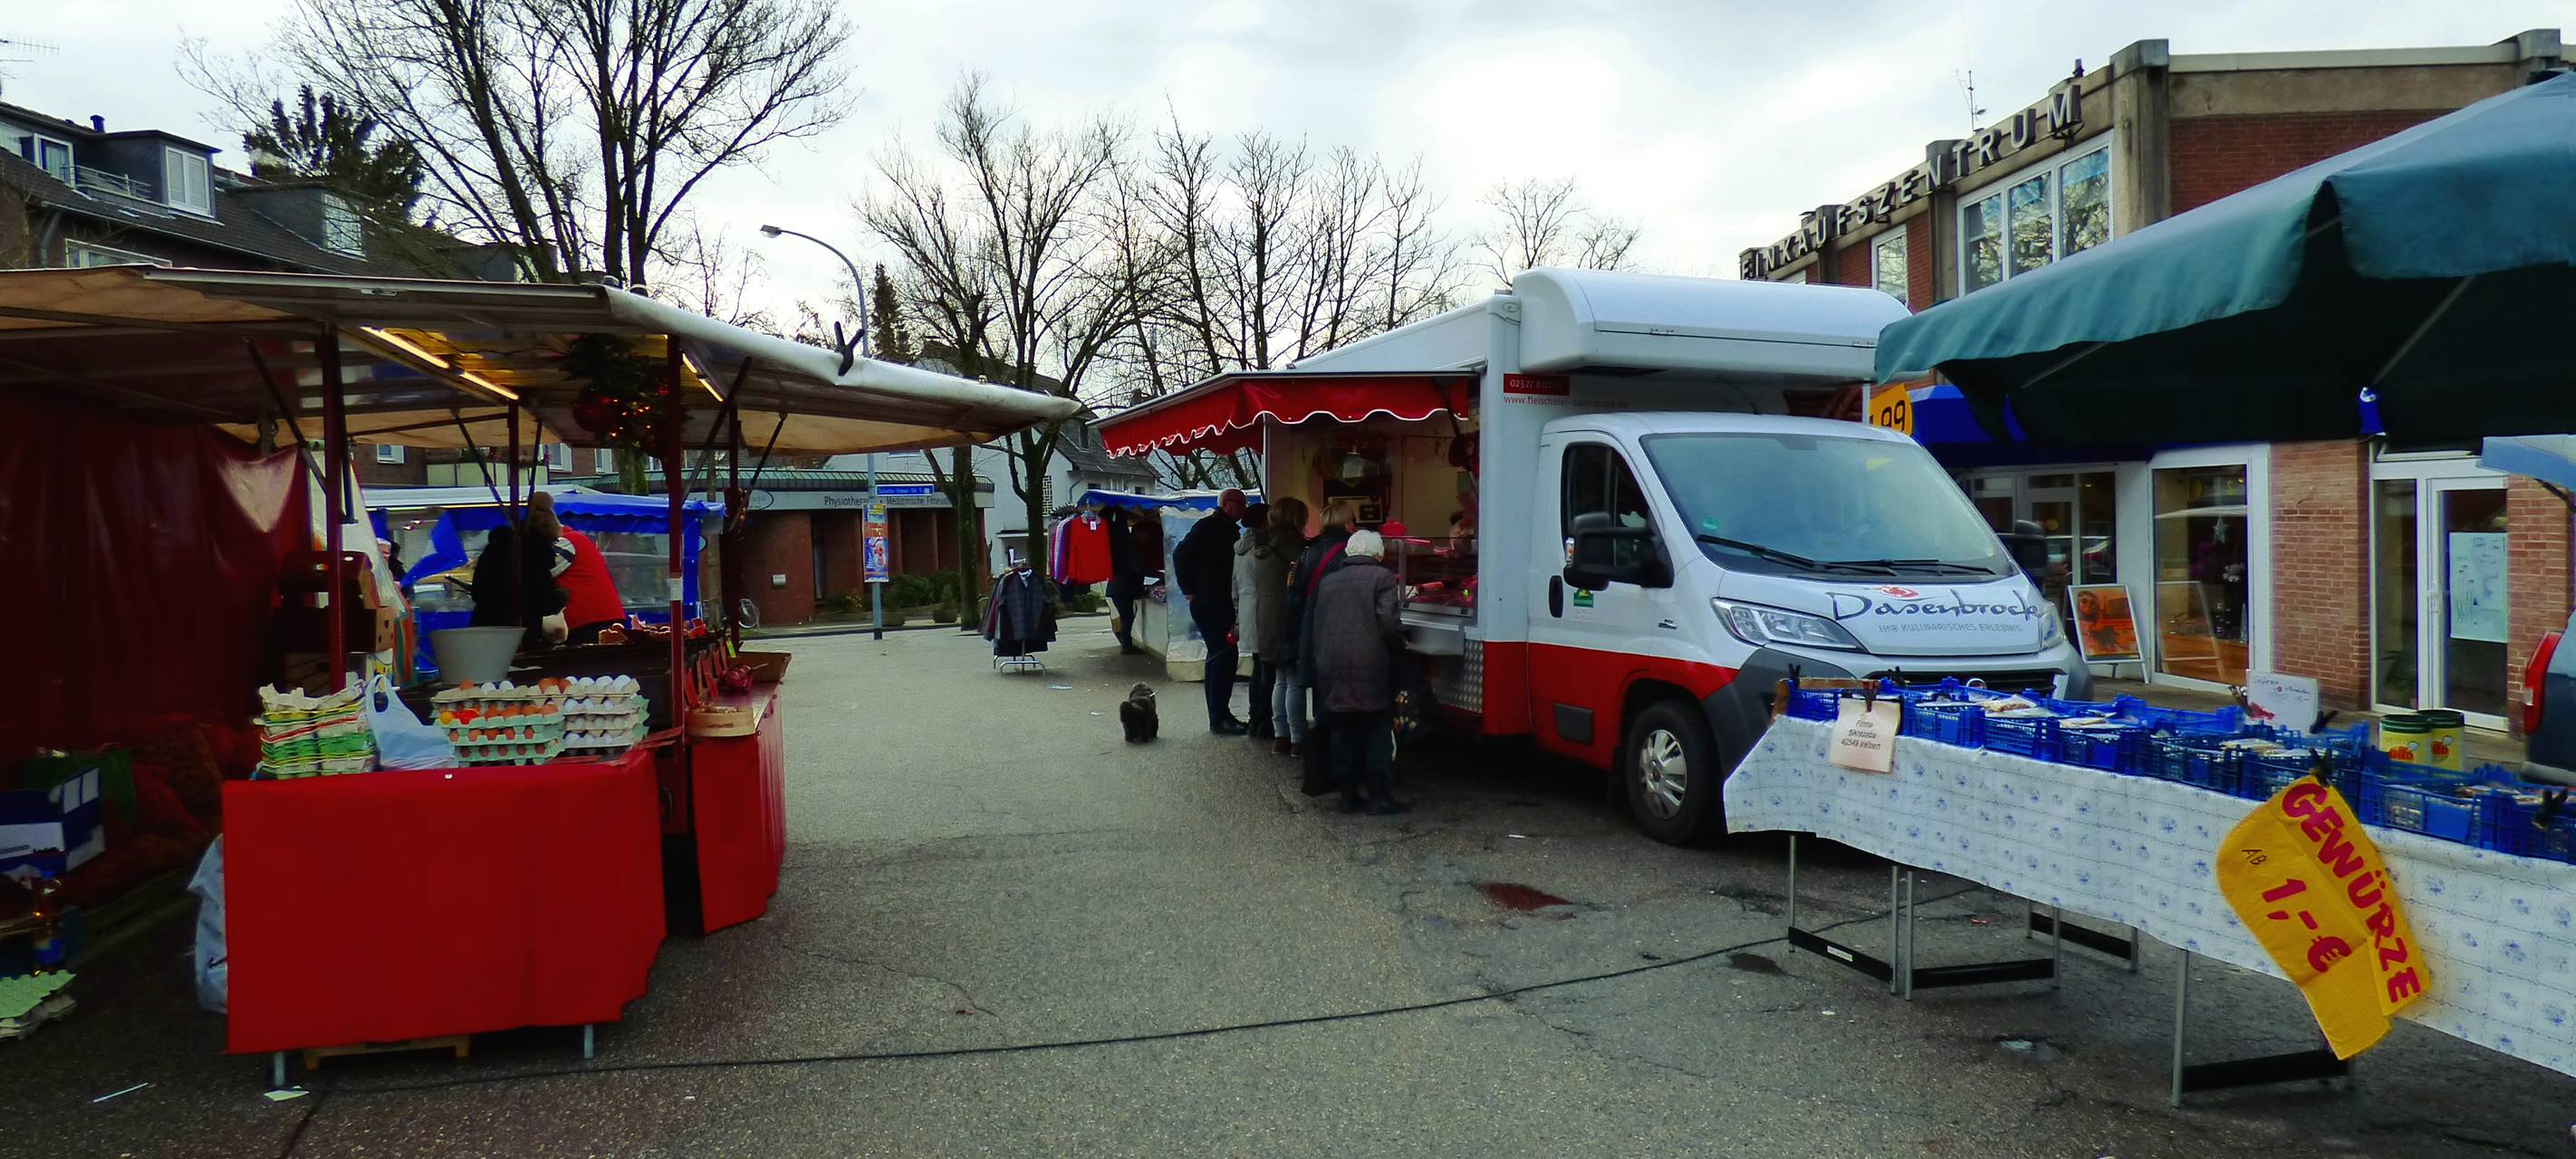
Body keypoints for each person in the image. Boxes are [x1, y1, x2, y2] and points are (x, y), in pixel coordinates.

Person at [1307, 530, 1407, 815]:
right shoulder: (1383, 577)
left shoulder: (1328, 581)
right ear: (1377, 555)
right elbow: (1388, 623)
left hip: (1332, 663)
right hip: (1369, 663)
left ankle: (1347, 796)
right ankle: (1380, 797)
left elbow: (1318, 624)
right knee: (1376, 731)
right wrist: (1400, 645)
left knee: (1344, 731)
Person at [1280, 500, 1360, 774]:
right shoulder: (1350, 551)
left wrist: (1292, 638)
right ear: (1347, 522)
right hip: (1339, 631)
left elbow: (1293, 598)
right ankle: (1339, 757)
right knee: (1340, 695)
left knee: (1319, 690)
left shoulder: (1306, 552)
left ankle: (1319, 749)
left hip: (1308, 628)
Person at [1170, 487, 1249, 733]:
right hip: (1210, 602)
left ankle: (1221, 713)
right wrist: (1190, 589)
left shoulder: (1226, 528)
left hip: (1218, 601)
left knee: (1224, 656)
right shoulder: (1209, 527)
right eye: (1241, 503)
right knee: (1221, 657)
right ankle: (1218, 717)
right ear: (1227, 504)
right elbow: (1180, 554)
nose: (1244, 508)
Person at [526, 493, 626, 643]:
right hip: (601, 618)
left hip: (589, 622)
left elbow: (534, 574)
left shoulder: (564, 543)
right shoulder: (576, 539)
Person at [1257, 498, 1310, 757]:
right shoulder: (1296, 547)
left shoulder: (1261, 545)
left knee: (1280, 680)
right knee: (1295, 681)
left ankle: (1280, 737)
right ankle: (1299, 739)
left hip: (1266, 619)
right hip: (1289, 618)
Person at [1230, 502, 1274, 741]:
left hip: (1247, 610)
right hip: (1264, 609)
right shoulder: (1264, 547)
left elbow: (1234, 586)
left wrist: (1238, 615)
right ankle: (1263, 720)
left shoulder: (1239, 549)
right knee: (1267, 669)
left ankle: (1255, 718)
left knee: (1258, 667)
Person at [1103, 508, 1146, 655]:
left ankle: (1125, 643)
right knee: (1127, 616)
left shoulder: (1124, 545)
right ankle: (1126, 645)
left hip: (1117, 588)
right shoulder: (1131, 548)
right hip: (1122, 589)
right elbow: (1137, 569)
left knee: (1126, 616)